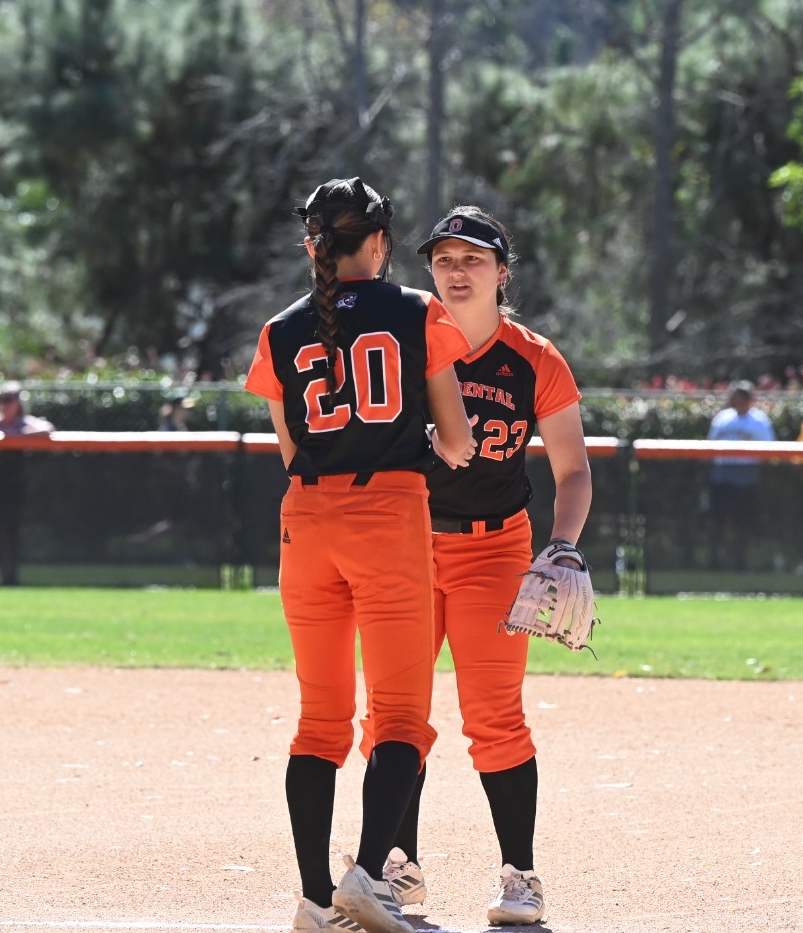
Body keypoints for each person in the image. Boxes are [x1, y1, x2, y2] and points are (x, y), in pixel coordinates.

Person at [243, 177, 474, 933]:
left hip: (306, 521)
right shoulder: (414, 311)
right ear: (377, 241)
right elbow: (459, 441)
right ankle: (368, 876)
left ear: (313, 244)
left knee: (319, 722)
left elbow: (288, 449)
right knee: (402, 715)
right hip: (387, 514)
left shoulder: (280, 329)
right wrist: (424, 450)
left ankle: (315, 898)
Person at [368, 207, 592, 928]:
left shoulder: (534, 357)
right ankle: (397, 870)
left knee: (495, 716)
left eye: (473, 259)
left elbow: (574, 470)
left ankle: (520, 876)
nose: (456, 272)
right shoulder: (400, 344)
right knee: (392, 714)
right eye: (443, 260)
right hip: (407, 543)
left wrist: (560, 545)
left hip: (494, 549)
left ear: (503, 272)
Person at [0, 381, 53, 586]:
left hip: (16, 484)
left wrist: (15, 436)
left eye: (10, 399)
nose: (6, 404)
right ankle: (3, 573)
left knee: (12, 529)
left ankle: (13, 575)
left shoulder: (25, 423)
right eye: (3, 399)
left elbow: (47, 430)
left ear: (18, 402)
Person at [705, 380, 775, 567]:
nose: (732, 399)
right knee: (717, 520)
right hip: (722, 474)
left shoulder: (759, 421)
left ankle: (740, 560)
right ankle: (715, 560)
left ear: (748, 399)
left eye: (737, 396)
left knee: (742, 521)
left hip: (746, 475)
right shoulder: (722, 418)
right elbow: (710, 445)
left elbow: (770, 450)